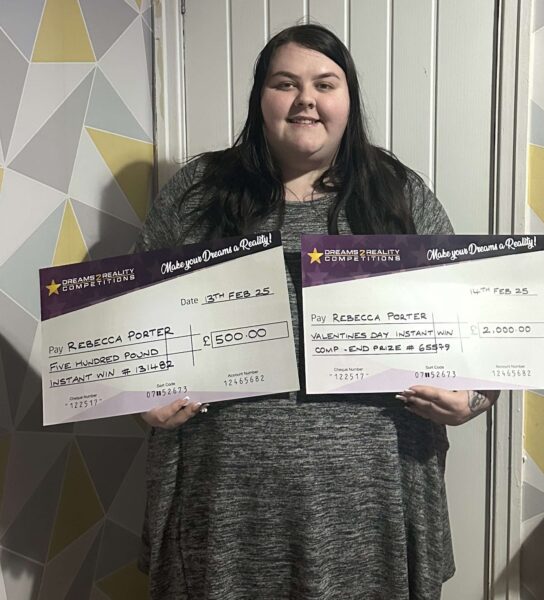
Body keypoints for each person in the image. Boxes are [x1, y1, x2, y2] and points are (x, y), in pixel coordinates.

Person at [136, 23, 498, 600]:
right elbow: (134, 331)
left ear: (348, 100)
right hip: (223, 503)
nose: (305, 99)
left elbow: (479, 339)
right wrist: (140, 398)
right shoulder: (197, 193)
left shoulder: (398, 194)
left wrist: (473, 400)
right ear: (260, 98)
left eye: (324, 84)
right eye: (285, 83)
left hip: (377, 499)